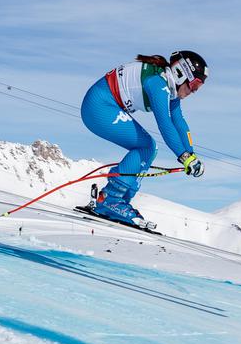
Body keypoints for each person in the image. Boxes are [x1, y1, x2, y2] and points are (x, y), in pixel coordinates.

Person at [81, 50, 208, 228]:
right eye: (194, 85)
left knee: (148, 147)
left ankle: (118, 201)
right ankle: (110, 200)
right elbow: (165, 124)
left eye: (198, 88)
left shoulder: (169, 86)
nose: (194, 92)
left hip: (103, 106)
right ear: (180, 74)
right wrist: (185, 157)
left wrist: (191, 154)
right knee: (147, 146)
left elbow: (179, 121)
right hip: (99, 107)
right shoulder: (158, 84)